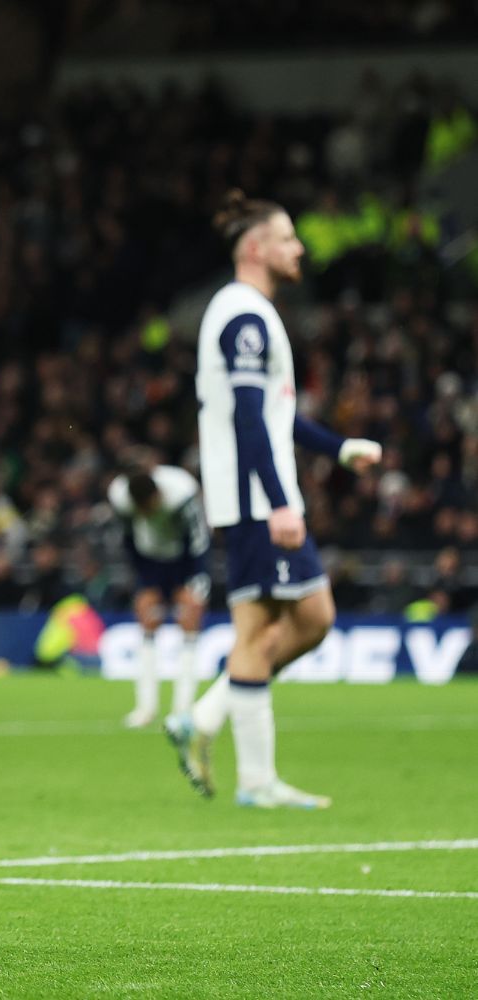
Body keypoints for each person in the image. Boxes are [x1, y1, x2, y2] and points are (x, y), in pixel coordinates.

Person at [169, 190, 381, 809]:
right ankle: (242, 764)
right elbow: (247, 416)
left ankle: (211, 729)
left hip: (254, 497)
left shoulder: (245, 312)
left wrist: (339, 449)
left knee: (283, 627)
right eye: (289, 238)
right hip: (261, 500)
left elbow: (274, 413)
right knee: (289, 624)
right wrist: (277, 499)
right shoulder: (245, 317)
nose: (300, 249)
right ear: (257, 248)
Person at [106, 462, 210, 729]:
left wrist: (196, 579)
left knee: (189, 622)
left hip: (184, 561)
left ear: (158, 496)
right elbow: (127, 539)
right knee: (147, 622)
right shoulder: (120, 497)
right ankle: (145, 708)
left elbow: (199, 538)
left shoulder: (182, 493)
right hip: (150, 561)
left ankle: (183, 709)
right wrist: (142, 580)